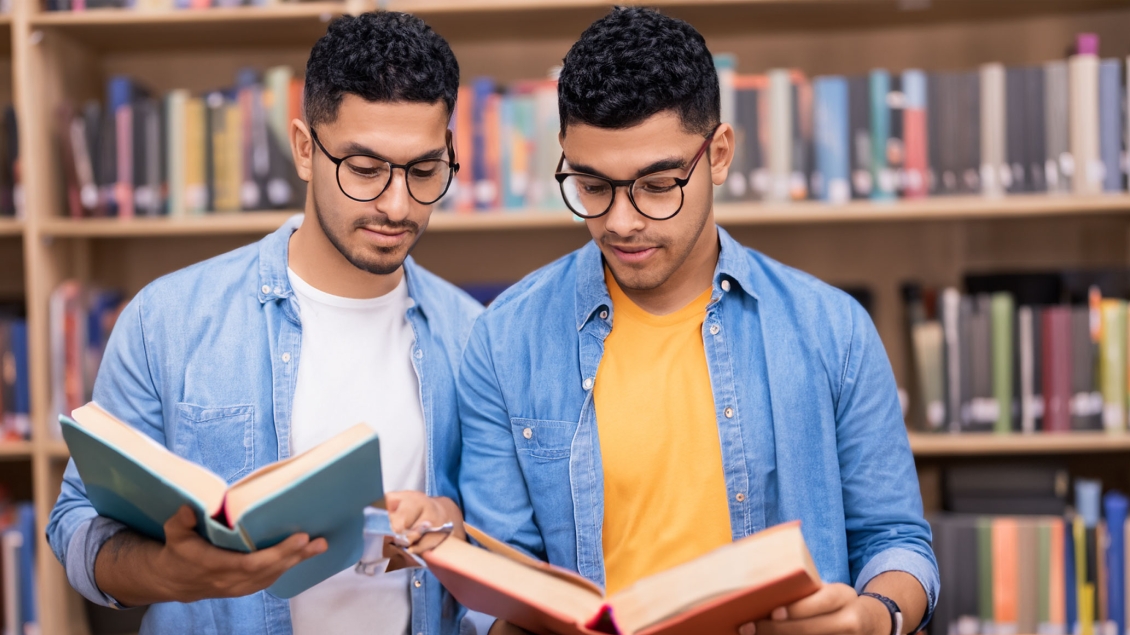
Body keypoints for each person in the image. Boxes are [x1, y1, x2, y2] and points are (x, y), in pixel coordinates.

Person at [458, 8, 938, 635]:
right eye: (592, 184)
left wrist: (877, 618)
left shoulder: (833, 330)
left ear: (718, 155)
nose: (621, 221)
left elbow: (897, 539)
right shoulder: (503, 342)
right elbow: (500, 589)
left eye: (657, 185)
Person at [47, 11, 482, 635]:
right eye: (364, 170)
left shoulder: (474, 336)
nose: (397, 204)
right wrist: (173, 574)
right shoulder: (167, 321)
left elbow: (500, 543)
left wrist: (452, 528)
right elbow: (77, 526)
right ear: (305, 150)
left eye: (423, 171)